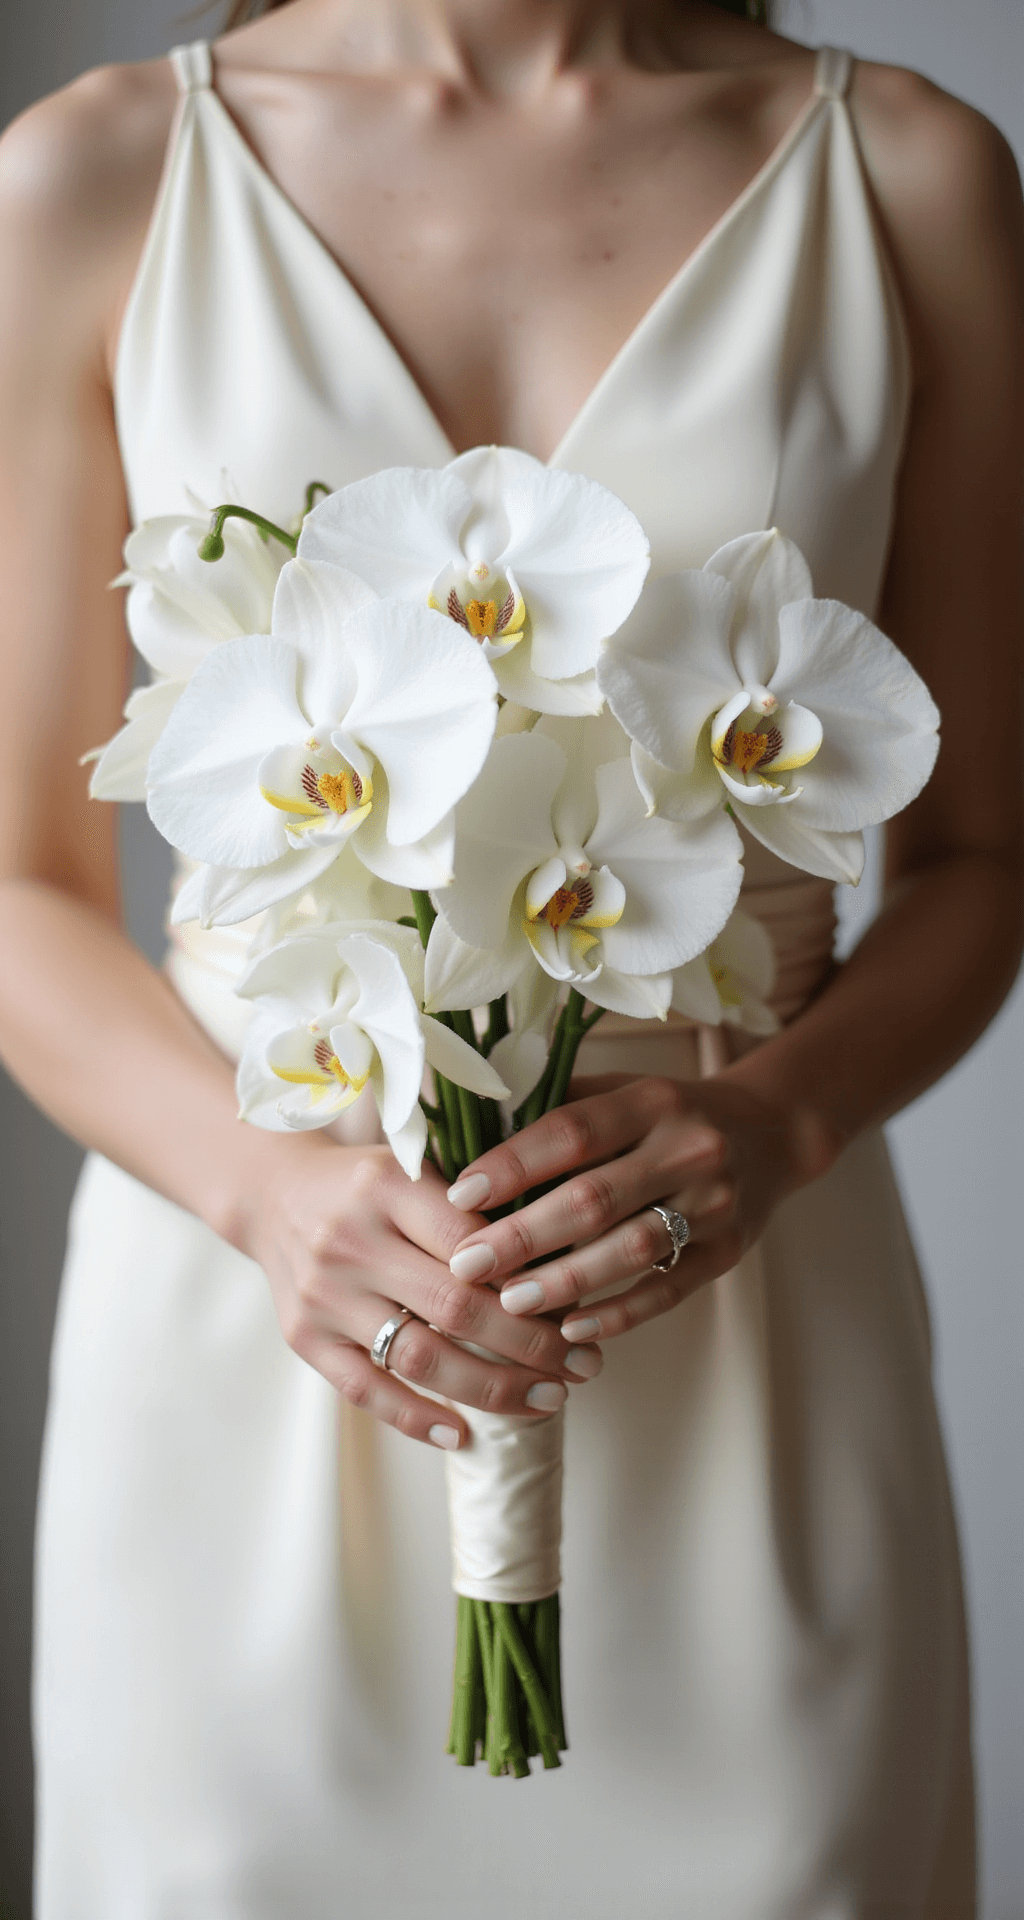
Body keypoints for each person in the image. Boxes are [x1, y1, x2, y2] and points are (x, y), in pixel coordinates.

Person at [0, 0, 1021, 1912]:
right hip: (266, 1319)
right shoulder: (98, 177)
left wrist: (781, 1125)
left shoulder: (906, 179)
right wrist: (265, 1193)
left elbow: (975, 859)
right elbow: (17, 886)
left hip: (744, 1315)